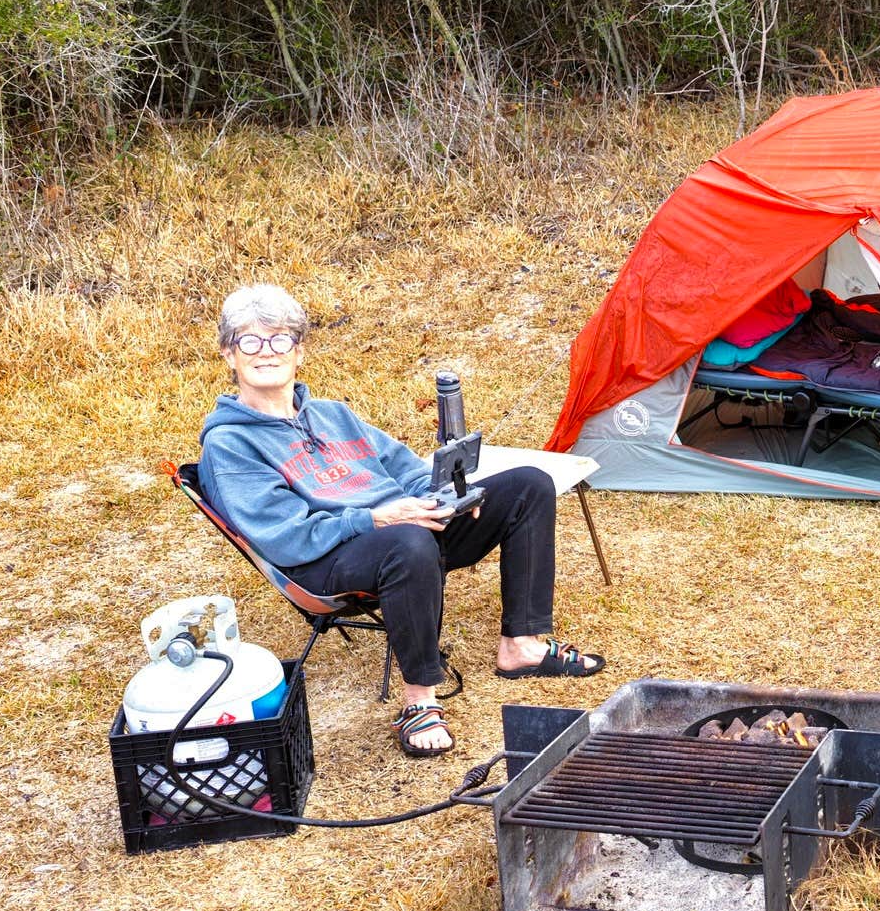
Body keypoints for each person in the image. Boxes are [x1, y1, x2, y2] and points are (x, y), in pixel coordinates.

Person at [197, 284, 604, 758]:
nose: (266, 352)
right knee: (408, 542)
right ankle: (419, 702)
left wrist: (446, 499)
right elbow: (286, 537)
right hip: (326, 557)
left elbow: (407, 470)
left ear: (299, 350)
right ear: (229, 353)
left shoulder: (332, 415)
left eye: (279, 339)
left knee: (527, 485)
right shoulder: (230, 443)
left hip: (402, 527)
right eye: (249, 341)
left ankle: (522, 646)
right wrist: (376, 519)